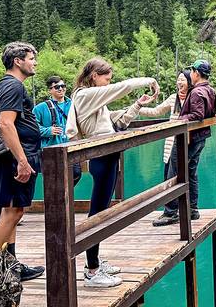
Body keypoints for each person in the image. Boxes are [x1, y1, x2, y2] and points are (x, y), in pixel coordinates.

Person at [66, 58, 159, 288]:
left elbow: (117, 122)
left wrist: (137, 105)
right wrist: (148, 80)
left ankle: (94, 260)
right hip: (101, 158)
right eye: (106, 77)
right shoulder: (84, 95)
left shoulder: (94, 100)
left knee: (101, 211)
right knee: (97, 213)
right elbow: (121, 88)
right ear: (94, 76)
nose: (109, 81)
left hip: (108, 156)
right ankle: (92, 270)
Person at [0, 42, 45, 281]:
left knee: (14, 210)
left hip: (15, 156)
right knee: (12, 212)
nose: (35, 63)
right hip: (15, 158)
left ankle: (10, 266)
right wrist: (22, 160)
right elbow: (5, 124)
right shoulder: (12, 86)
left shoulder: (8, 85)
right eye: (31, 58)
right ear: (18, 61)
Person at [153, 60, 216, 227]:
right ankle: (192, 209)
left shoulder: (196, 92)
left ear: (196, 73)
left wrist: (180, 119)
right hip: (201, 138)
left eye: (192, 71)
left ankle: (171, 212)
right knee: (191, 173)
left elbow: (197, 114)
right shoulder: (211, 91)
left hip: (188, 139)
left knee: (174, 173)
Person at [138, 70, 192, 215]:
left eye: (183, 80)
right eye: (178, 79)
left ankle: (173, 211)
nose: (179, 82)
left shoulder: (194, 97)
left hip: (187, 143)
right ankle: (174, 210)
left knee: (181, 177)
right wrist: (137, 109)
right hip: (171, 144)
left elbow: (207, 109)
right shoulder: (173, 98)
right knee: (169, 177)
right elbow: (156, 111)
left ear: (190, 81)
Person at [32, 76, 82, 185]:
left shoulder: (74, 105)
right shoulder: (40, 108)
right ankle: (58, 198)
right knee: (52, 178)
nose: (61, 89)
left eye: (63, 86)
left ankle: (64, 196)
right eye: (56, 87)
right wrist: (48, 130)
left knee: (76, 173)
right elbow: (32, 127)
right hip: (50, 149)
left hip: (71, 146)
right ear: (50, 90)